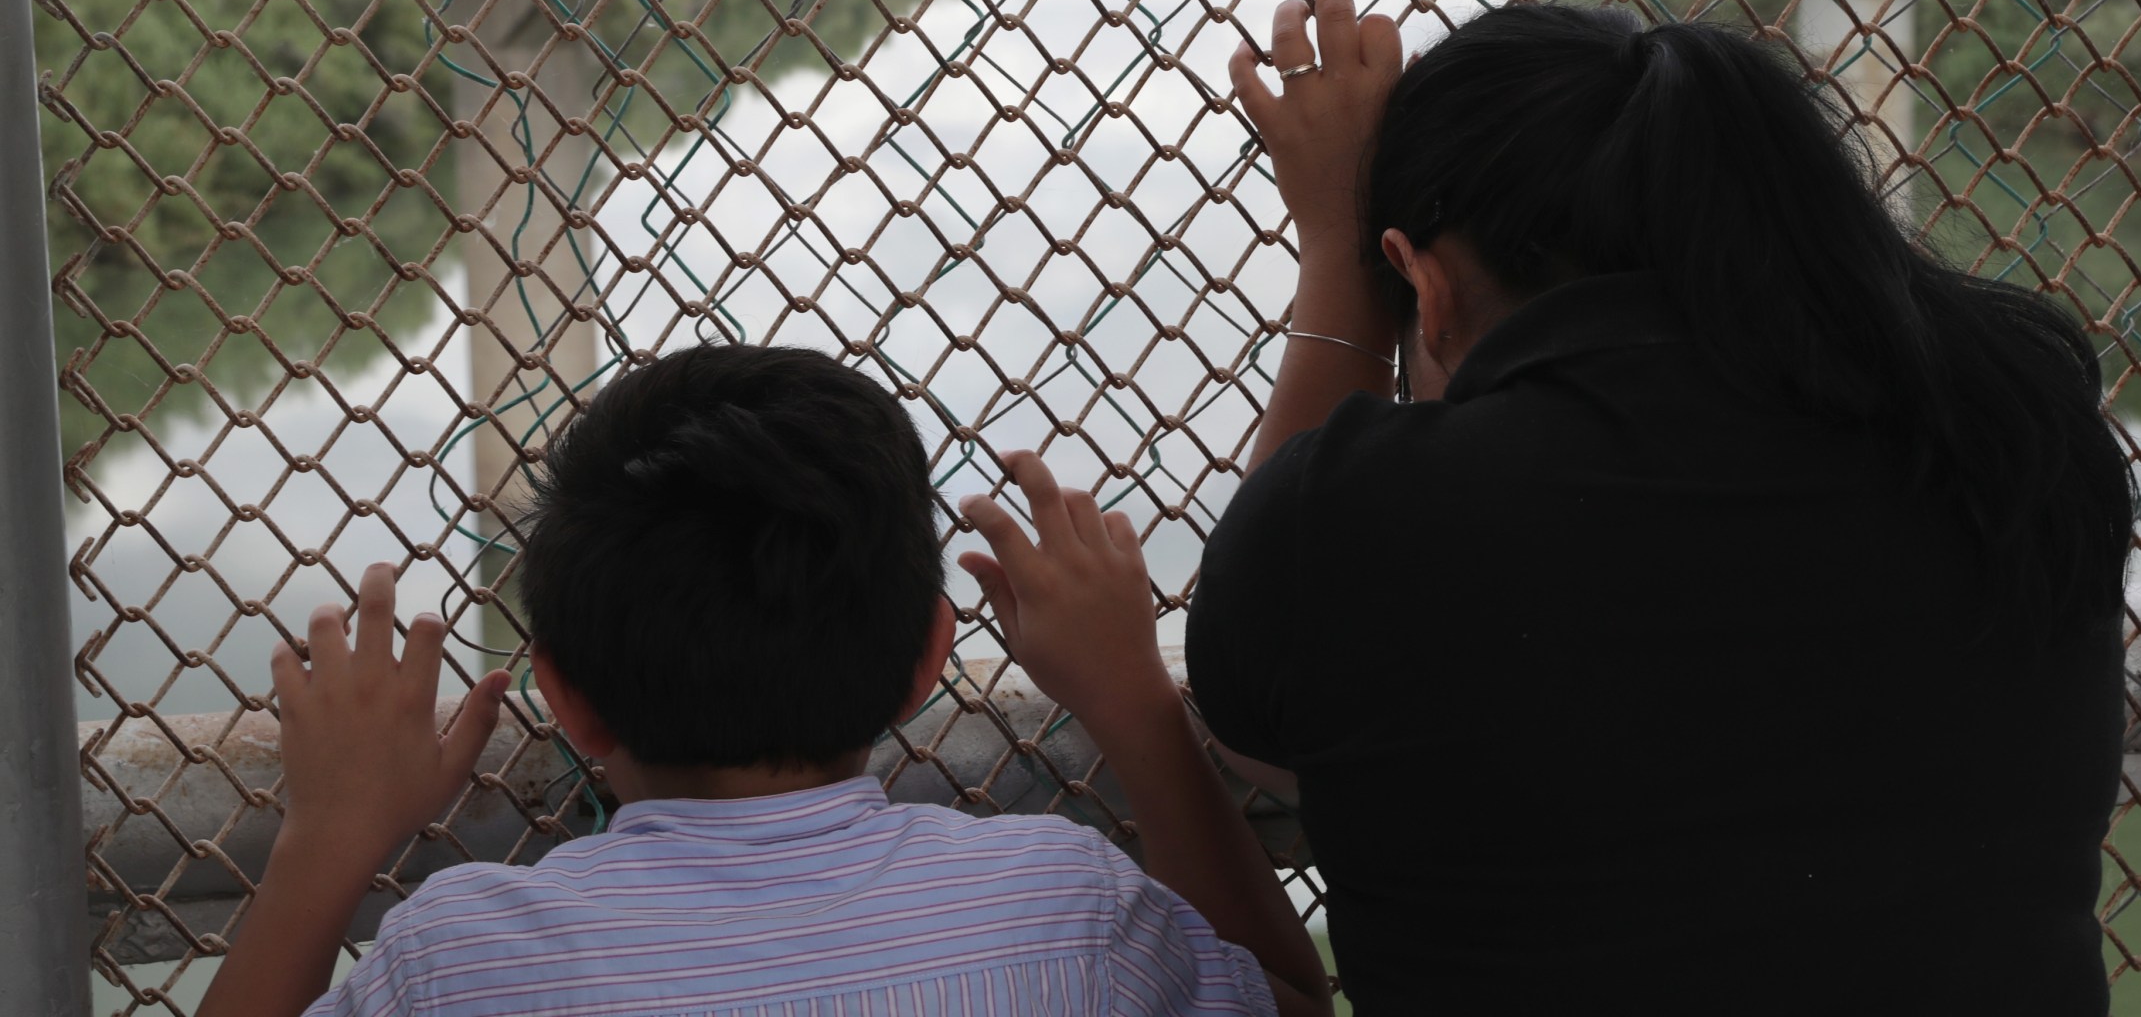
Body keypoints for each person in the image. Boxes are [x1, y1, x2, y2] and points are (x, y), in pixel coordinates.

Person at [1186, 0, 2138, 1011]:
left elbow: (1256, 717)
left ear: (1425, 286)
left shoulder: (1378, 521)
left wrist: (1334, 254)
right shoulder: (2011, 434)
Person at [201, 344, 1330, 1017]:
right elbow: (1286, 1003)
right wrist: (1132, 698)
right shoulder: (1071, 914)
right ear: (926, 659)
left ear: (562, 694)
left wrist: (330, 837)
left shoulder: (464, 962)